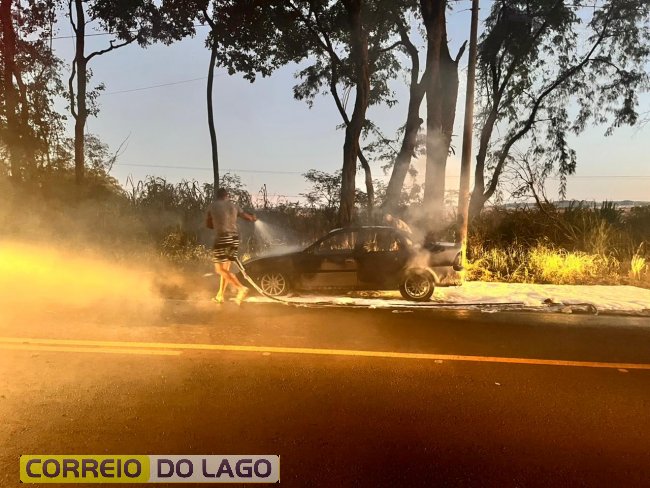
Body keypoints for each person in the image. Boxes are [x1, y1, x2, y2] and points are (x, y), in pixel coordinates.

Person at [206, 187, 256, 304]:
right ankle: (220, 296)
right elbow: (247, 217)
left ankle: (241, 288)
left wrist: (217, 222)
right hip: (234, 239)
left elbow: (209, 225)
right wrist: (252, 218)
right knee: (226, 269)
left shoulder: (213, 206)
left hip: (222, 238)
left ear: (217, 197)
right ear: (226, 196)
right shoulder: (234, 206)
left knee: (220, 269)